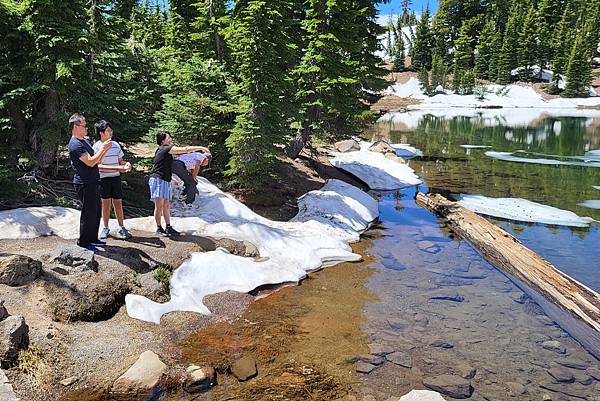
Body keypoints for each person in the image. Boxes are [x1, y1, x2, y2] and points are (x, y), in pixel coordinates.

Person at [150, 131, 211, 236]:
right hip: (157, 179)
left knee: (166, 205)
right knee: (159, 206)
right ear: (163, 140)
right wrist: (202, 148)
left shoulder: (165, 152)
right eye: (168, 137)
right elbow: (186, 149)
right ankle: (159, 228)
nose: (170, 139)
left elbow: (163, 166)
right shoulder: (165, 148)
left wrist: (170, 179)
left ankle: (168, 227)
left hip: (164, 180)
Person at [67, 113, 112, 251]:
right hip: (84, 182)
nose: (86, 128)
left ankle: (93, 238)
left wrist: (104, 150)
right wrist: (103, 148)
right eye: (84, 125)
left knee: (96, 211)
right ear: (76, 126)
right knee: (88, 212)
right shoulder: (75, 144)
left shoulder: (84, 141)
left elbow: (96, 159)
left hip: (93, 181)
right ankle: (84, 242)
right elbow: (91, 162)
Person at [92, 120, 133, 240]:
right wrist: (117, 167)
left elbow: (121, 161)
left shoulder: (116, 145)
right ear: (101, 133)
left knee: (118, 202)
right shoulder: (97, 146)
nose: (111, 132)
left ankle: (121, 226)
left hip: (115, 177)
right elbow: (97, 165)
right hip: (103, 178)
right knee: (105, 203)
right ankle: (105, 227)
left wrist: (127, 165)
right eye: (108, 130)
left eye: (111, 130)